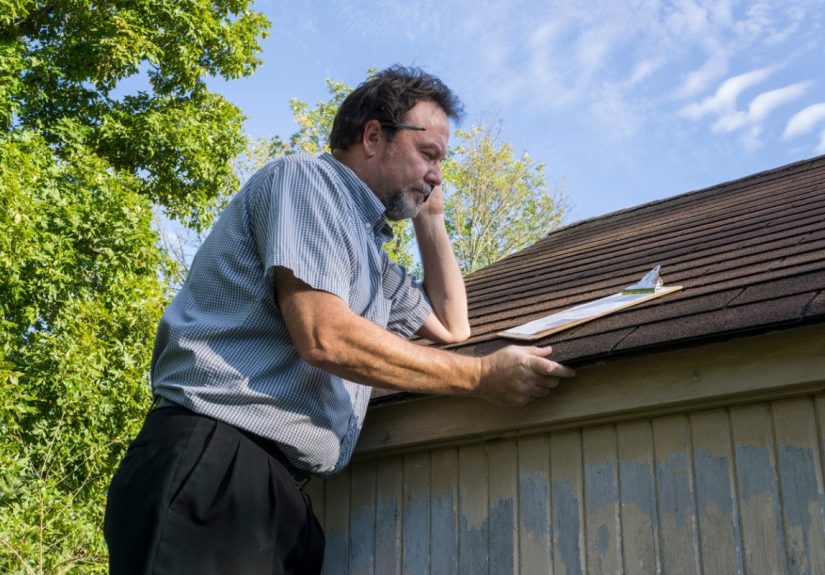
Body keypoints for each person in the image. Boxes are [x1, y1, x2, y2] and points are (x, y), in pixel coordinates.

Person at [104, 65, 575, 574]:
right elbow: (323, 335)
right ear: (374, 136)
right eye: (428, 154)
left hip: (278, 494)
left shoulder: (372, 259)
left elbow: (452, 327)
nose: (437, 174)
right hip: (217, 468)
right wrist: (481, 377)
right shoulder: (307, 183)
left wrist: (431, 219)